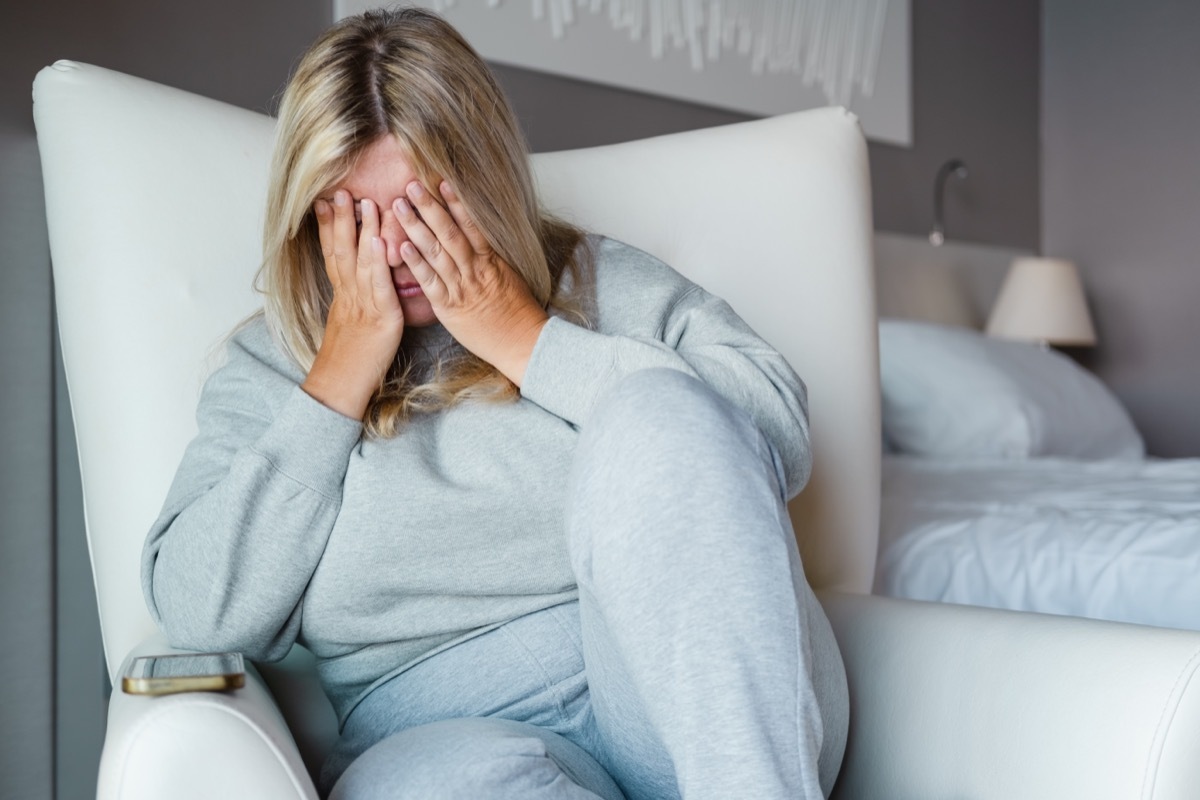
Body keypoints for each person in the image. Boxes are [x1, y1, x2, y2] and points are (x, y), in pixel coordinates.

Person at [141, 7, 848, 799]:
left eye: (422, 210)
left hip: (684, 707)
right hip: (437, 734)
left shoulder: (595, 283)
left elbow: (774, 438)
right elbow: (201, 616)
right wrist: (338, 378)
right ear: (312, 220)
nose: (399, 253)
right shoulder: (271, 367)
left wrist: (528, 340)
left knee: (661, 408)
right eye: (361, 220)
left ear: (483, 184)